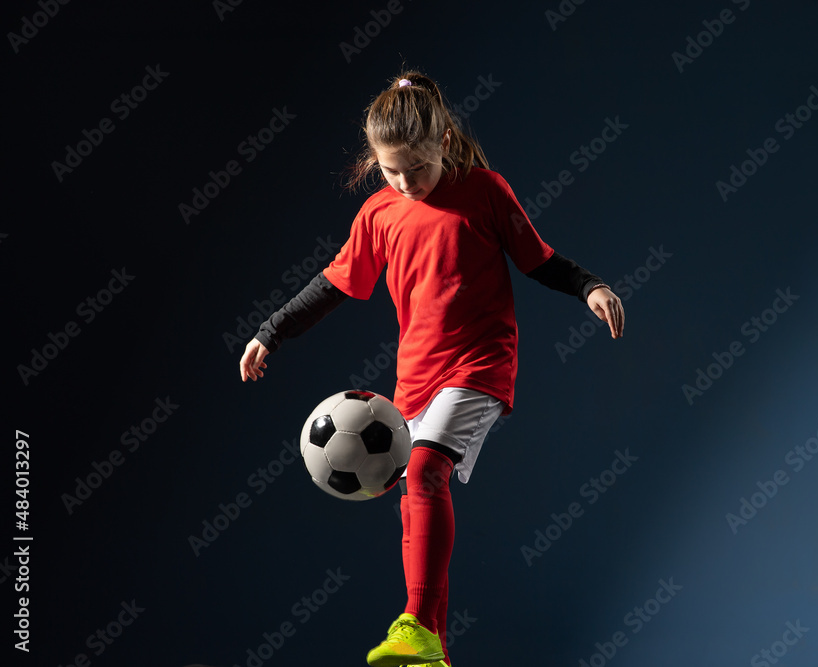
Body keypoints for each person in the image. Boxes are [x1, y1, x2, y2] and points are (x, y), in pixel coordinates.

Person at [239, 70, 624, 667]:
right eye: (390, 170)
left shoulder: (485, 191)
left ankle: (416, 621)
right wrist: (273, 330)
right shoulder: (379, 214)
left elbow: (538, 258)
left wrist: (589, 286)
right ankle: (432, 651)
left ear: (443, 141)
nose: (404, 181)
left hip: (481, 363)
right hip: (414, 379)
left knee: (423, 473)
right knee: (412, 499)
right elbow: (334, 284)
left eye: (414, 167)